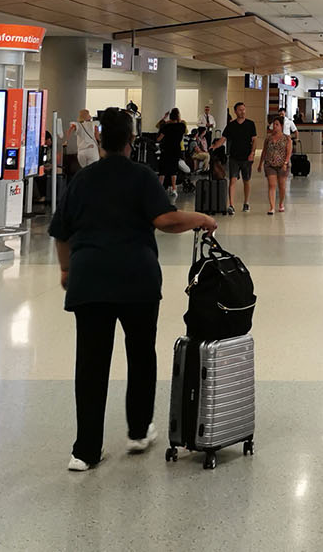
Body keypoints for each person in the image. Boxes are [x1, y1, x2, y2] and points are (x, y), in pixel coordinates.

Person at [51, 108, 218, 471]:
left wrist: (66, 268)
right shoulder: (141, 176)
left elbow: (61, 231)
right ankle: (139, 431)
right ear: (130, 141)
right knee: (141, 354)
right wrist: (202, 219)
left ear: (100, 139)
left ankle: (85, 451)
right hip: (135, 280)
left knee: (91, 362)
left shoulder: (82, 180)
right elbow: (166, 220)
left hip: (90, 279)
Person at [222, 102, 258, 214]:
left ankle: (246, 202)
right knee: (232, 179)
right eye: (240, 110)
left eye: (243, 109)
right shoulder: (231, 125)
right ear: (235, 111)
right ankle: (231, 204)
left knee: (246, 180)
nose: (242, 111)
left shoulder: (250, 124)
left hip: (246, 157)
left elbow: (254, 140)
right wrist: (214, 146)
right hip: (234, 157)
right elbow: (223, 138)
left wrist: (252, 152)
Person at [261, 114, 294, 215]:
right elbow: (264, 151)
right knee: (272, 185)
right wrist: (260, 163)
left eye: (277, 124)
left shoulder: (287, 139)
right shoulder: (268, 138)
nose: (275, 126)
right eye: (273, 124)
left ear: (281, 126)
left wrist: (285, 163)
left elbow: (289, 152)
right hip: (270, 164)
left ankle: (281, 203)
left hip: (282, 165)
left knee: (282, 186)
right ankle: (271, 207)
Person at [156, 108, 187, 192]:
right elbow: (183, 130)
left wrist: (165, 120)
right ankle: (174, 188)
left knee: (163, 170)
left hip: (166, 150)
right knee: (174, 169)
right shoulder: (182, 126)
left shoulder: (166, 126)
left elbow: (158, 139)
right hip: (176, 150)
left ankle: (159, 189)